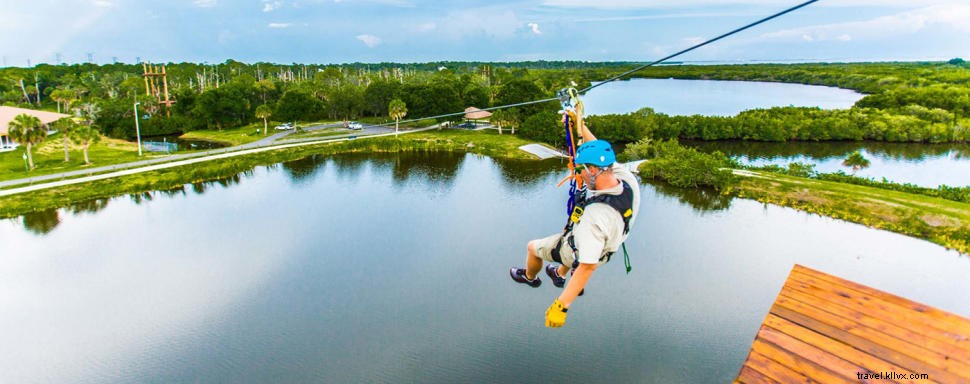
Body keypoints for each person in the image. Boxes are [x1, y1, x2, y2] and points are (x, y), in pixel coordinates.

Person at [509, 111, 641, 328]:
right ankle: (559, 274)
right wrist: (578, 124)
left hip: (588, 252)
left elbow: (587, 266)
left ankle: (530, 277)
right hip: (609, 245)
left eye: (581, 170)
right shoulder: (627, 181)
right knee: (574, 247)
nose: (579, 175)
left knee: (535, 247)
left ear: (593, 170)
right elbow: (598, 146)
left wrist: (562, 306)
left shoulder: (594, 219)